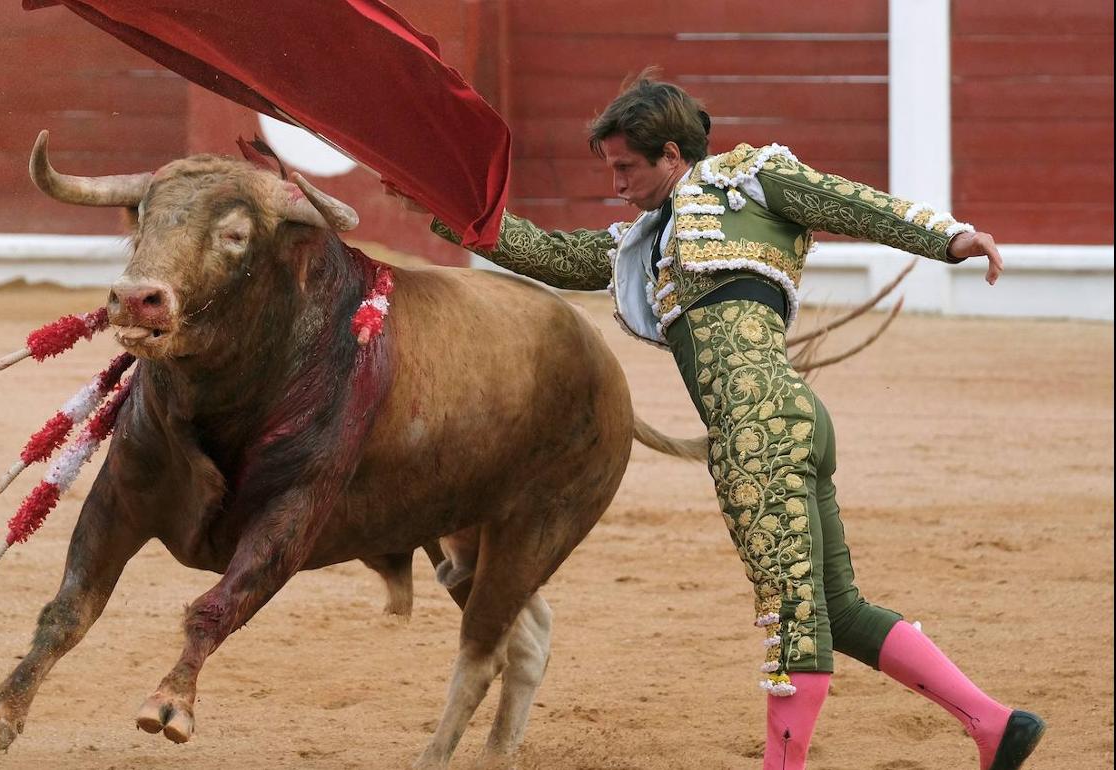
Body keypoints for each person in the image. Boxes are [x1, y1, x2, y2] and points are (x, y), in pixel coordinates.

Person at [390, 70, 1044, 770]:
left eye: (627, 168)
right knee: (838, 611)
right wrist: (449, 208)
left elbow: (850, 203)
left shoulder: (752, 180)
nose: (617, 183)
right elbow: (551, 254)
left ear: (673, 156)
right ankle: (994, 724)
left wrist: (951, 238)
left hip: (756, 431)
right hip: (791, 420)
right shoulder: (643, 244)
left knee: (795, 629)